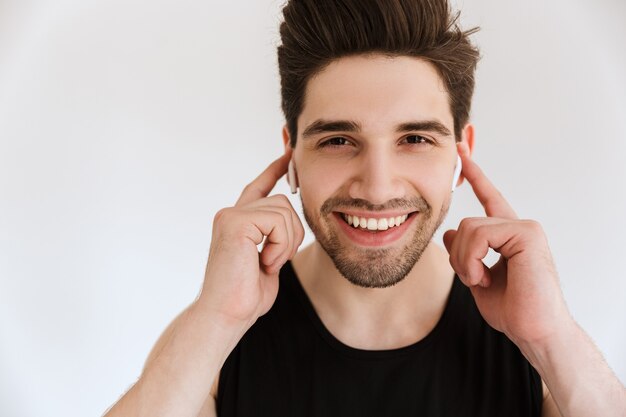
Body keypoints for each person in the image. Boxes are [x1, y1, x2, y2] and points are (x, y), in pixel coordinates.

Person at [103, 1, 626, 416]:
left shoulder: (539, 353)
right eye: (337, 140)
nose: (376, 188)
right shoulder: (213, 345)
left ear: (462, 154)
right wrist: (217, 320)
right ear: (292, 155)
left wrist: (549, 337)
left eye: (416, 138)